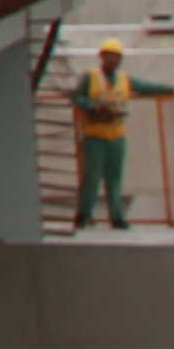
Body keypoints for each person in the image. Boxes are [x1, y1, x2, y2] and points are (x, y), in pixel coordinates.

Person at [70, 36, 140, 228]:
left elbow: (146, 86)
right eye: (111, 56)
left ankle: (117, 217)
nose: (115, 60)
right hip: (95, 135)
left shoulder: (123, 79)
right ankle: (83, 215)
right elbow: (76, 96)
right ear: (103, 57)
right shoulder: (90, 77)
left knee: (114, 177)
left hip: (117, 134)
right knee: (92, 177)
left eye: (117, 57)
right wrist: (92, 107)